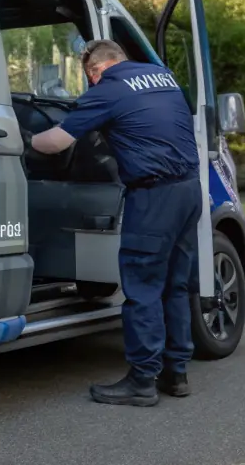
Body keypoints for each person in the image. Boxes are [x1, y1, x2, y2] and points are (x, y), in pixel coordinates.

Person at [30, 39, 202, 407]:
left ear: (94, 71)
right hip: (189, 191)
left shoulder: (107, 89)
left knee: (143, 287)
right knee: (175, 284)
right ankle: (177, 373)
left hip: (153, 197)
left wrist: (23, 139)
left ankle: (142, 380)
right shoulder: (162, 76)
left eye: (89, 76)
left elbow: (56, 143)